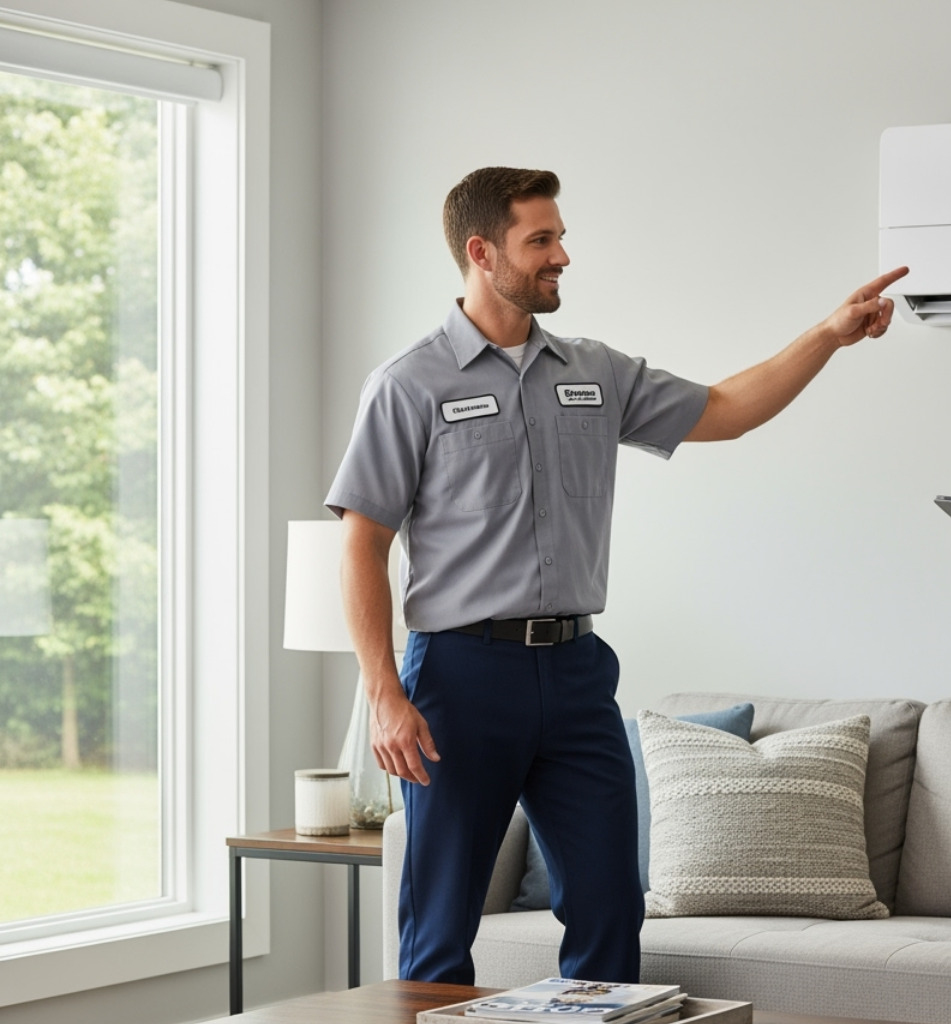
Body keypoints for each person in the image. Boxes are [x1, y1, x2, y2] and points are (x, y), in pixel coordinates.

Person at [325, 166, 907, 985]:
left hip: (575, 675)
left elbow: (728, 409)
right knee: (441, 923)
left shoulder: (593, 371)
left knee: (608, 904)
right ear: (482, 252)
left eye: (560, 237)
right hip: (459, 678)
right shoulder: (407, 383)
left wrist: (829, 334)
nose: (562, 255)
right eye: (541, 240)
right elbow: (362, 544)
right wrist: (384, 692)